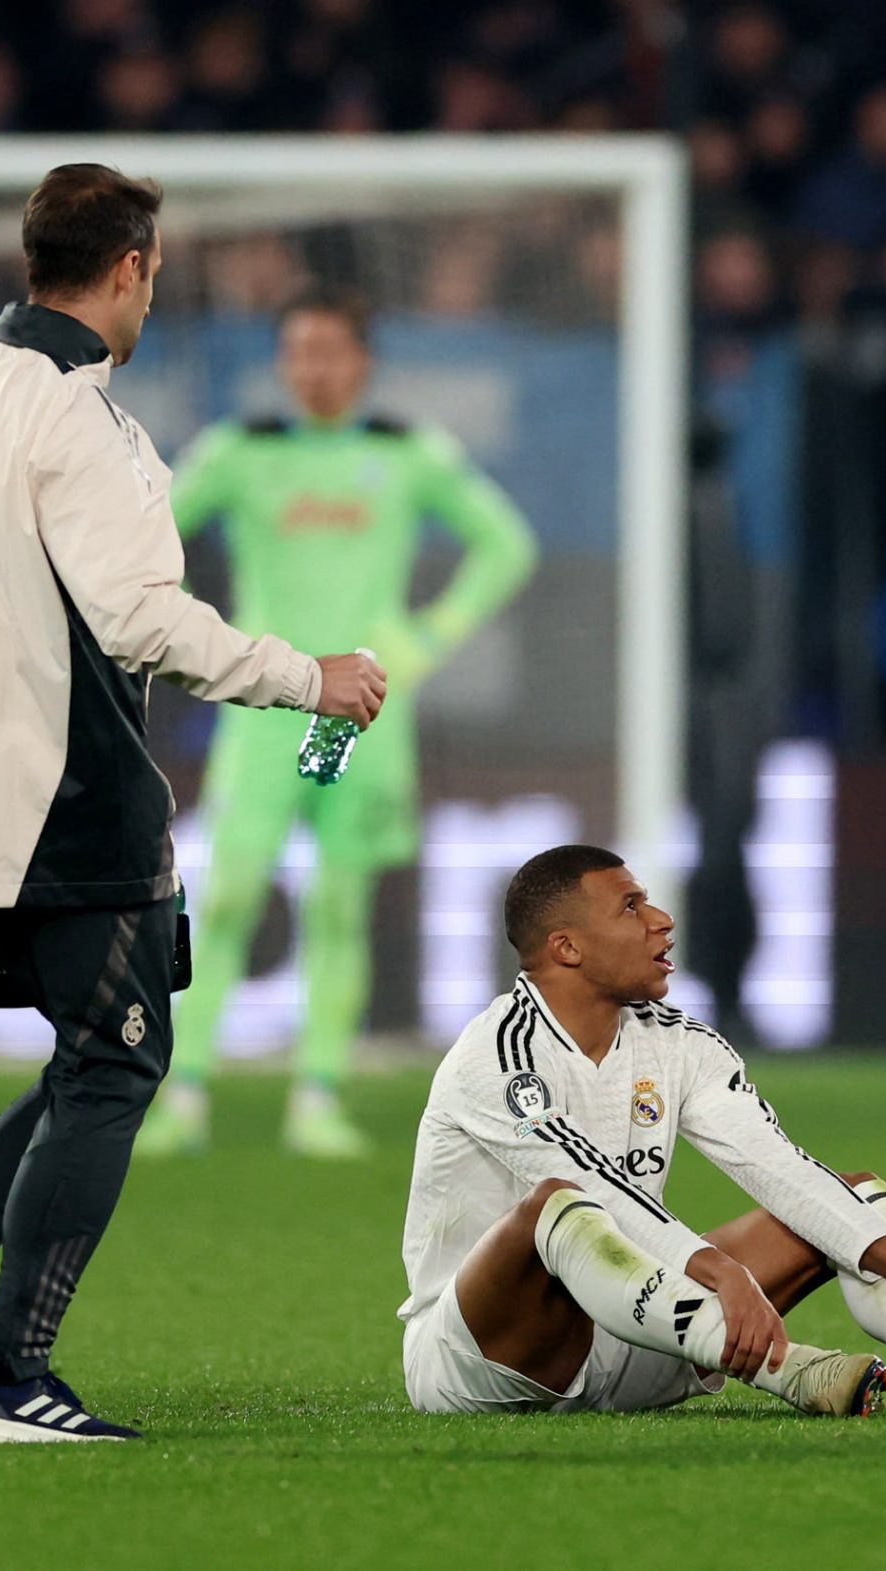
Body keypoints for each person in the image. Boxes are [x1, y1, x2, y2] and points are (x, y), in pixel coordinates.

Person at [0, 164, 387, 1443]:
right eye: (155, 272)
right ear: (129, 268)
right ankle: (8, 1376)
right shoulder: (88, 422)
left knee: (89, 1042)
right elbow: (138, 620)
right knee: (120, 1060)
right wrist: (310, 677)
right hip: (78, 794)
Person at [398, 844, 886, 1419]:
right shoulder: (498, 1053)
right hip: (487, 1361)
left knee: (848, 1194)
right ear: (567, 948)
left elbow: (778, 1166)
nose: (661, 920)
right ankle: (790, 1369)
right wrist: (718, 1271)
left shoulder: (680, 1043)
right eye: (631, 906)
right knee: (558, 1202)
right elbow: (595, 1188)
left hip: (642, 1334)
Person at [137, 291, 538, 1159]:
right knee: (232, 893)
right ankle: (185, 1094)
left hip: (356, 712)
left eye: (328, 350)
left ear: (363, 361)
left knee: (337, 903)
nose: (311, 367)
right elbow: (143, 537)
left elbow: (507, 543)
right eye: (297, 351)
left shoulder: (406, 456)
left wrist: (426, 638)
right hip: (271, 706)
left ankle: (316, 1095)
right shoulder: (241, 454)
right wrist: (195, 632)